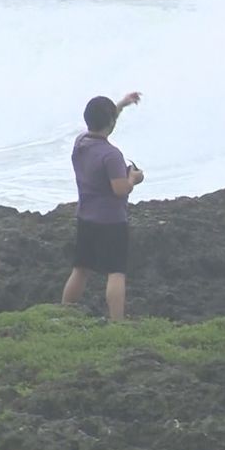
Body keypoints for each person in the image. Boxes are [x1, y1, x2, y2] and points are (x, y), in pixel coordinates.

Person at [61, 92, 144, 321]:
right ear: (111, 123)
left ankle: (64, 312)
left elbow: (103, 121)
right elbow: (119, 189)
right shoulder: (111, 155)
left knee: (81, 269)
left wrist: (122, 105)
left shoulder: (81, 143)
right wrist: (133, 179)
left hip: (86, 217)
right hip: (111, 221)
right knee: (116, 272)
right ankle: (117, 322)